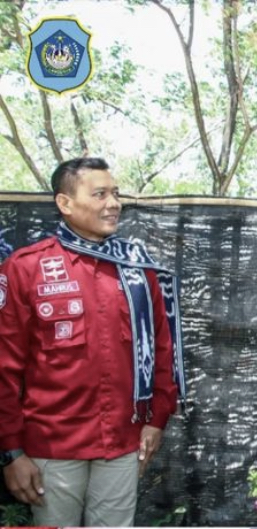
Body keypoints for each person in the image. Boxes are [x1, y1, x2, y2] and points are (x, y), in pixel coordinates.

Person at [0, 158, 186, 527]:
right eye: (99, 194)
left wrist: (157, 419)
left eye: (115, 194)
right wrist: (12, 452)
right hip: (51, 447)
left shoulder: (138, 268)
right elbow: (5, 365)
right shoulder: (26, 268)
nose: (113, 204)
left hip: (122, 443)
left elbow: (163, 349)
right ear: (65, 203)